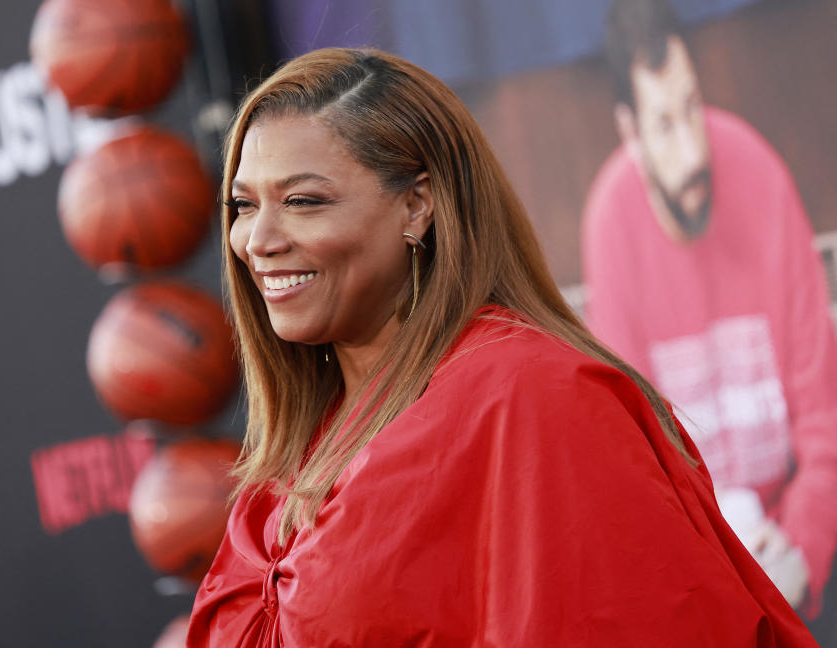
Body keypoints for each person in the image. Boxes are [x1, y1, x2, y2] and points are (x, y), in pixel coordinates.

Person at [187, 47, 817, 646]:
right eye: (243, 205)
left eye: (302, 201)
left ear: (417, 206)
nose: (257, 240)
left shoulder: (534, 397)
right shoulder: (303, 438)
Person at [582, 0, 837, 628]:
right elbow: (634, 464)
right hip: (699, 559)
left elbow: (825, 417)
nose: (692, 147)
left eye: (691, 106)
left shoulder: (758, 173)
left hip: (794, 539)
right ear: (630, 133)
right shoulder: (611, 223)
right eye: (664, 123)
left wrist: (802, 550)